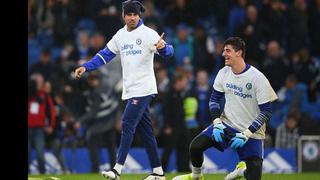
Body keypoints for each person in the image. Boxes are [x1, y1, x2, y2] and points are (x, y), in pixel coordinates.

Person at [74, 0, 174, 179]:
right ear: (123, 16)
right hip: (130, 90)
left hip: (144, 88)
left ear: (139, 15)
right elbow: (104, 55)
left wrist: (164, 47)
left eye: (135, 14)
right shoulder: (120, 35)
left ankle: (117, 169)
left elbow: (169, 53)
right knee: (146, 132)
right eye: (129, 14)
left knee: (127, 123)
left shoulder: (149, 34)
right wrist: (86, 67)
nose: (132, 17)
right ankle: (158, 173)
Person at [173, 37, 277, 180]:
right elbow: (214, 100)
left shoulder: (257, 78)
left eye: (228, 51)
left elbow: (266, 111)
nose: (223, 54)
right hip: (226, 124)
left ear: (239, 53)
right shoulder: (223, 72)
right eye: (223, 51)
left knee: (254, 176)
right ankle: (196, 176)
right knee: (195, 146)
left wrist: (247, 133)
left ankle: (241, 171)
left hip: (251, 133)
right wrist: (216, 122)